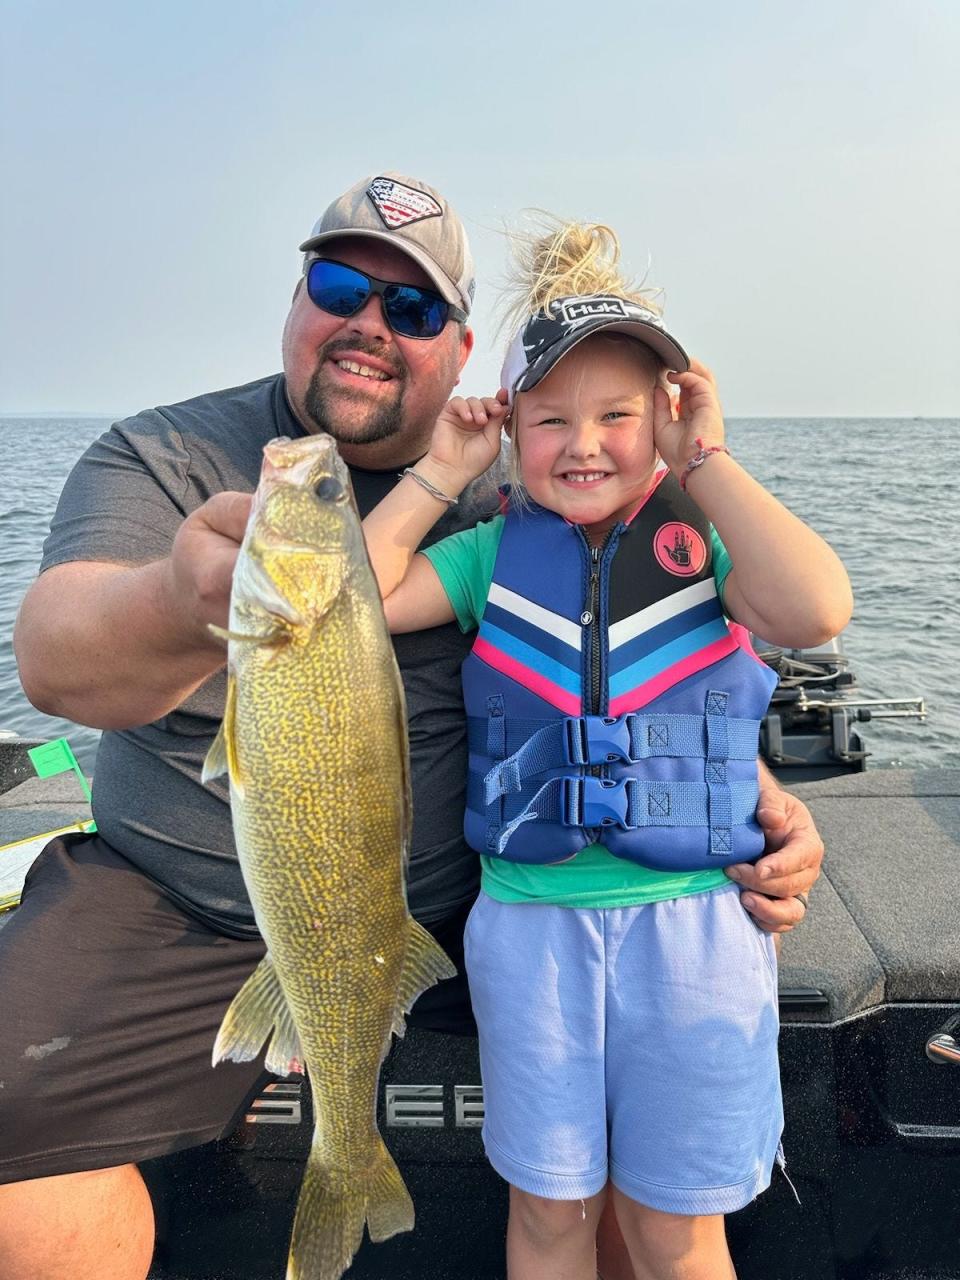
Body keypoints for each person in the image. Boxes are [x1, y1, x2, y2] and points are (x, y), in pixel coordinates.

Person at [4, 176, 824, 1280]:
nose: (370, 325)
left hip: (462, 908)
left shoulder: (532, 484)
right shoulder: (169, 453)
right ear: (297, 300)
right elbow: (55, 660)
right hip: (173, 900)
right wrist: (188, 596)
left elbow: (660, 653)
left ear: (463, 349)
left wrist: (757, 791)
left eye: (414, 309)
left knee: (652, 1196)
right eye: (340, 286)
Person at [361, 218, 853, 1280]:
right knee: (549, 1217)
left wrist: (707, 460)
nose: (584, 443)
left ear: (666, 421)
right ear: (512, 431)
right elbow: (345, 598)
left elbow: (816, 607)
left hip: (698, 936)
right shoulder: (490, 549)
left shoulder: (707, 538)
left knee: (678, 1232)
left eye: (618, 415)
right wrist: (446, 469)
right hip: (530, 935)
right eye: (550, 420)